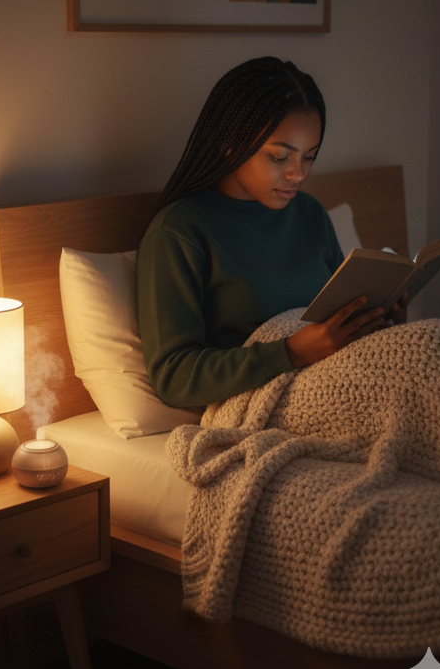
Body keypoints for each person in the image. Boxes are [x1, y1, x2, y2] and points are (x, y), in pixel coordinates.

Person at [137, 56, 406, 409]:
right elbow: (173, 377)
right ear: (230, 143)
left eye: (309, 156)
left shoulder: (309, 213)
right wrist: (290, 352)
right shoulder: (179, 232)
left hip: (340, 378)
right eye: (280, 157)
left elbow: (335, 324)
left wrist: (377, 321)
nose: (298, 174)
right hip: (263, 402)